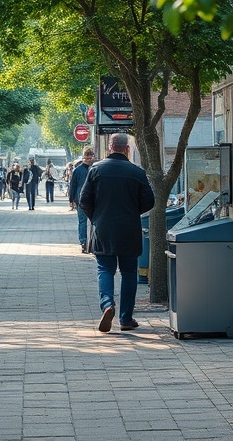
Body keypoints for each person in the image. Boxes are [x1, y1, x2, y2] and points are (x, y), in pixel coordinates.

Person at [78, 134, 155, 333]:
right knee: (129, 272)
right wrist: (132, 211)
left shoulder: (96, 170)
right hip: (129, 228)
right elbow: (149, 201)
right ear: (127, 149)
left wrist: (96, 217)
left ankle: (107, 304)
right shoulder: (137, 172)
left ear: (110, 147)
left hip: (103, 228)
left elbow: (84, 200)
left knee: (105, 269)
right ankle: (126, 319)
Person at [68, 147, 95, 252]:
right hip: (83, 200)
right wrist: (71, 199)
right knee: (85, 221)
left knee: (86, 221)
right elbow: (73, 185)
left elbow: (73, 185)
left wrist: (72, 198)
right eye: (87, 157)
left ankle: (87, 242)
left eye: (90, 157)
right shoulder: (79, 170)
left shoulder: (79, 170)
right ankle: (84, 242)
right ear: (83, 158)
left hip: (86, 199)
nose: (88, 159)